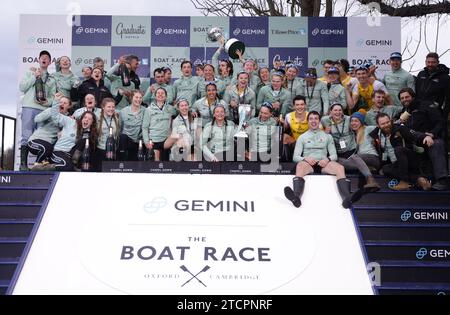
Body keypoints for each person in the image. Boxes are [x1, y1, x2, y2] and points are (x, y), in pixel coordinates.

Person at [283, 111, 361, 209]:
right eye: (311, 119)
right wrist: (305, 158)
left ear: (319, 121)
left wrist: (327, 159)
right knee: (300, 165)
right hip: (309, 164)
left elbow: (334, 155)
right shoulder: (302, 137)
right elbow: (295, 157)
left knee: (340, 167)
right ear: (308, 121)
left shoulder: (327, 136)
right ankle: (296, 197)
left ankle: (346, 198)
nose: (313, 121)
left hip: (324, 164)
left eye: (316, 118)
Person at [398, 88, 448, 190]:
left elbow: (440, 122)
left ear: (413, 96)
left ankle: (442, 180)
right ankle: (414, 180)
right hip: (414, 143)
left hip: (430, 139)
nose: (404, 99)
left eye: (407, 97)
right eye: (402, 98)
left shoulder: (426, 105)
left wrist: (432, 134)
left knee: (437, 144)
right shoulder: (404, 112)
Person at [321, 103, 380, 191]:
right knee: (339, 163)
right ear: (331, 112)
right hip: (350, 156)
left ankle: (370, 180)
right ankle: (366, 167)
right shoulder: (325, 120)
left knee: (354, 157)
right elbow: (321, 124)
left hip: (364, 155)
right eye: (335, 110)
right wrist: (325, 131)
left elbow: (380, 127)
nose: (353, 123)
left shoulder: (364, 127)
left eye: (340, 110)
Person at [35, 93, 97, 171]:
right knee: (68, 167)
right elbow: (55, 116)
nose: (86, 120)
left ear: (92, 122)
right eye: (85, 117)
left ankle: (73, 164)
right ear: (81, 118)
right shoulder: (70, 121)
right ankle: (43, 167)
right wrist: (56, 101)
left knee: (85, 142)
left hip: (70, 156)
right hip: (59, 152)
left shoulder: (88, 134)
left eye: (89, 119)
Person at [369, 113, 429, 190]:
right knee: (385, 169)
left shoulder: (399, 129)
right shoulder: (377, 134)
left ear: (391, 121)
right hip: (397, 164)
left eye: (387, 122)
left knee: (398, 149)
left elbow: (414, 134)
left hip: (410, 160)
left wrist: (425, 136)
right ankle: (419, 179)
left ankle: (404, 181)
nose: (386, 125)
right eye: (383, 124)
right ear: (378, 125)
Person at [19, 50, 57, 170]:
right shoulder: (30, 72)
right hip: (29, 107)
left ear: (50, 62)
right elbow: (22, 87)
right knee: (26, 135)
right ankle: (23, 165)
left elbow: (53, 97)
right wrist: (34, 77)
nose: (44, 59)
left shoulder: (51, 79)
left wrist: (47, 102)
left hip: (43, 110)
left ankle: (40, 164)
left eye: (47, 57)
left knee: (41, 138)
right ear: (39, 60)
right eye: (42, 57)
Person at [28, 95, 71, 168]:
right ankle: (36, 167)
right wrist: (52, 111)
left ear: (69, 106)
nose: (62, 104)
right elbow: (36, 119)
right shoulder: (50, 110)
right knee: (47, 147)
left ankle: (44, 169)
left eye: (65, 103)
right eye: (60, 102)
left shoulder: (68, 118)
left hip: (51, 146)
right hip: (35, 141)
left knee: (52, 151)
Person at [142, 87, 176, 161]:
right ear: (155, 96)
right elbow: (144, 127)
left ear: (166, 96)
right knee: (156, 164)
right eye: (158, 93)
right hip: (154, 141)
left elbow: (182, 111)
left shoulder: (171, 109)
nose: (160, 95)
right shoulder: (149, 109)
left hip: (166, 141)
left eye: (162, 93)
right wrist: (147, 142)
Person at [415, 52, 450, 118]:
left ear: (438, 62)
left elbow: (448, 99)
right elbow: (416, 93)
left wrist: (444, 116)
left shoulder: (445, 77)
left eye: (433, 62)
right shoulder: (421, 74)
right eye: (428, 62)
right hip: (419, 111)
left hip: (435, 113)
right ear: (425, 62)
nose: (430, 64)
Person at [118, 90, 146, 161]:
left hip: (139, 142)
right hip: (127, 142)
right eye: (136, 97)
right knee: (122, 137)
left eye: (140, 98)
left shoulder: (146, 111)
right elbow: (120, 128)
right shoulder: (123, 111)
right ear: (131, 98)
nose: (138, 99)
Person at [95, 98, 120, 170]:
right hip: (101, 149)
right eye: (109, 107)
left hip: (113, 149)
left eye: (113, 107)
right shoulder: (97, 117)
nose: (111, 109)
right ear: (103, 107)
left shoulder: (116, 117)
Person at [283, 95, 309, 162]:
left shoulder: (311, 116)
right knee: (284, 137)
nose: (299, 107)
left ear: (305, 105)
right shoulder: (288, 116)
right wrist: (281, 123)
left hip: (308, 143)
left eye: (302, 104)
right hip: (296, 142)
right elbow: (284, 129)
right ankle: (287, 161)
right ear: (294, 106)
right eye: (297, 105)